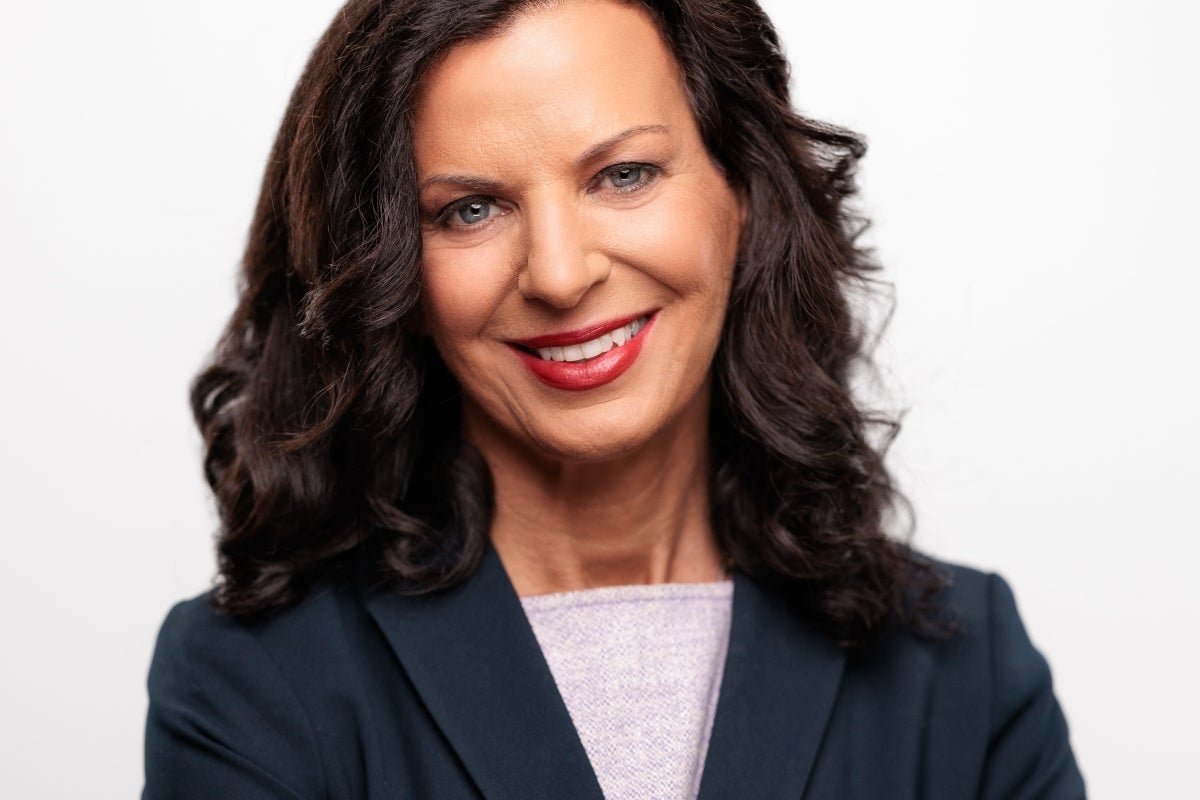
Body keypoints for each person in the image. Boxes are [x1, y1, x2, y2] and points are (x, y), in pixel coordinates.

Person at [143, 0, 1086, 797]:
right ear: (390, 269)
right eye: (469, 209)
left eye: (623, 175)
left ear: (744, 192)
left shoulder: (965, 665)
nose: (559, 274)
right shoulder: (255, 680)